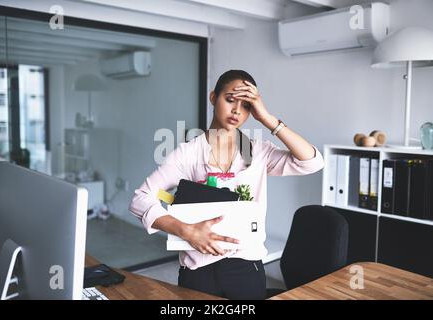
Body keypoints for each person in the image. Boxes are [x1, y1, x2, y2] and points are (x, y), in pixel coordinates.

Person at [130, 70, 324, 300]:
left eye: (246, 106)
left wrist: (268, 119)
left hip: (246, 267)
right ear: (213, 97)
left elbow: (312, 163)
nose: (236, 111)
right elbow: (141, 198)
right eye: (230, 100)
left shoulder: (259, 151)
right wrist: (187, 231)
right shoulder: (188, 153)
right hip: (198, 268)